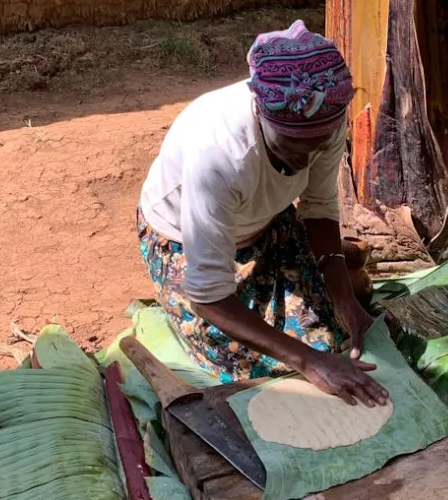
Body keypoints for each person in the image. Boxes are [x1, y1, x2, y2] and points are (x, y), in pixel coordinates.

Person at [137, 20, 389, 408]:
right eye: (292, 144)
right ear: (261, 114)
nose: (306, 157)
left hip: (268, 223)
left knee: (334, 336)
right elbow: (207, 296)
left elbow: (319, 207)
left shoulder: (323, 119)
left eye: (317, 143)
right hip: (181, 239)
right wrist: (306, 361)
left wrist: (347, 305)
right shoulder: (219, 155)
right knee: (258, 368)